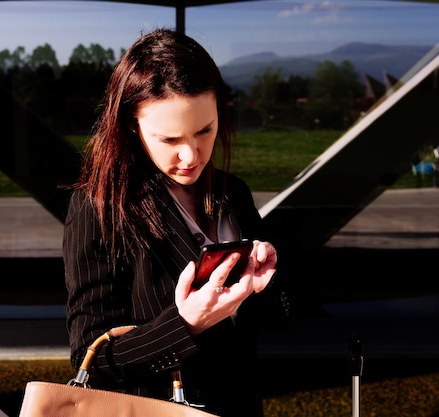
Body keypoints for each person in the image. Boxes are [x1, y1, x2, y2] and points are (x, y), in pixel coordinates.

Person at [63, 28, 290, 417]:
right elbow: (92, 358)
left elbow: (275, 319)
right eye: (169, 139)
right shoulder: (100, 206)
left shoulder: (232, 192)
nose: (191, 154)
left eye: (205, 130)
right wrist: (186, 324)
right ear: (132, 126)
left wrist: (264, 285)